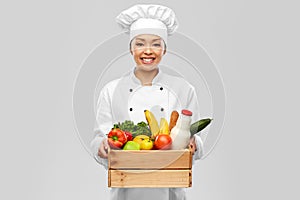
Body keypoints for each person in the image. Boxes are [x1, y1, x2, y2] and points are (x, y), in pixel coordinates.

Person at [91, 4, 204, 200]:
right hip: (125, 189)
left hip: (170, 190)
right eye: (140, 44)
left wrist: (195, 143)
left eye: (156, 44)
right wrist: (100, 147)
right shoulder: (110, 91)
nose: (148, 51)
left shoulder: (184, 89)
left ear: (165, 49)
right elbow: (98, 138)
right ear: (130, 49)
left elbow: (197, 138)